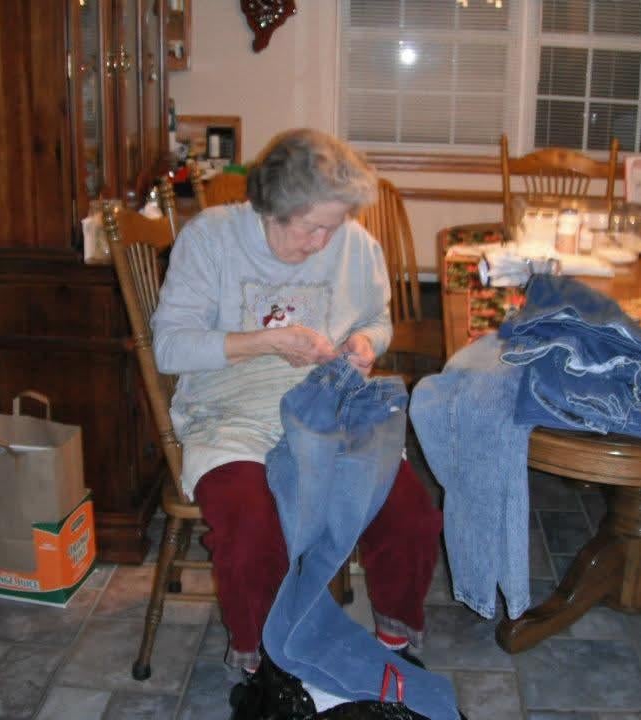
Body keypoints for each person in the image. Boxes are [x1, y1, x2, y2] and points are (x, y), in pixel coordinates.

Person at [151, 128, 443, 675]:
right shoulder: (212, 239)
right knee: (250, 531)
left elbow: (377, 321)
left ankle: (393, 647)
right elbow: (169, 346)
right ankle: (265, 666)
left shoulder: (352, 242)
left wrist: (365, 344)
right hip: (232, 415)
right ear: (272, 209)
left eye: (333, 228)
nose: (323, 244)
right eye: (312, 229)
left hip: (327, 409)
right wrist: (264, 341)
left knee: (408, 513)